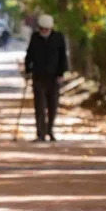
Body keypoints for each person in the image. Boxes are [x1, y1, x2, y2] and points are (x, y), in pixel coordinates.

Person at [24, 14, 68, 142]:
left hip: (54, 78)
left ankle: (50, 130)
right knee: (39, 106)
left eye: (46, 29)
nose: (44, 31)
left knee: (53, 106)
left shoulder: (58, 38)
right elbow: (29, 54)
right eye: (42, 29)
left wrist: (61, 74)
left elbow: (63, 58)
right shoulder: (35, 38)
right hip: (38, 76)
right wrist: (27, 70)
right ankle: (40, 133)